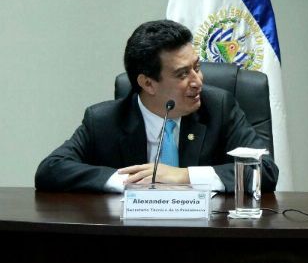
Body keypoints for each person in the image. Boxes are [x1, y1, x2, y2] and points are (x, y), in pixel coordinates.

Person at [35, 19, 278, 193]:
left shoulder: (219, 108)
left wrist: (183, 176)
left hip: (206, 241)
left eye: (197, 67)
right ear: (148, 83)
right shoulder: (104, 120)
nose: (198, 81)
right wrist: (126, 180)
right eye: (183, 74)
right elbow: (50, 170)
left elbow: (264, 171)